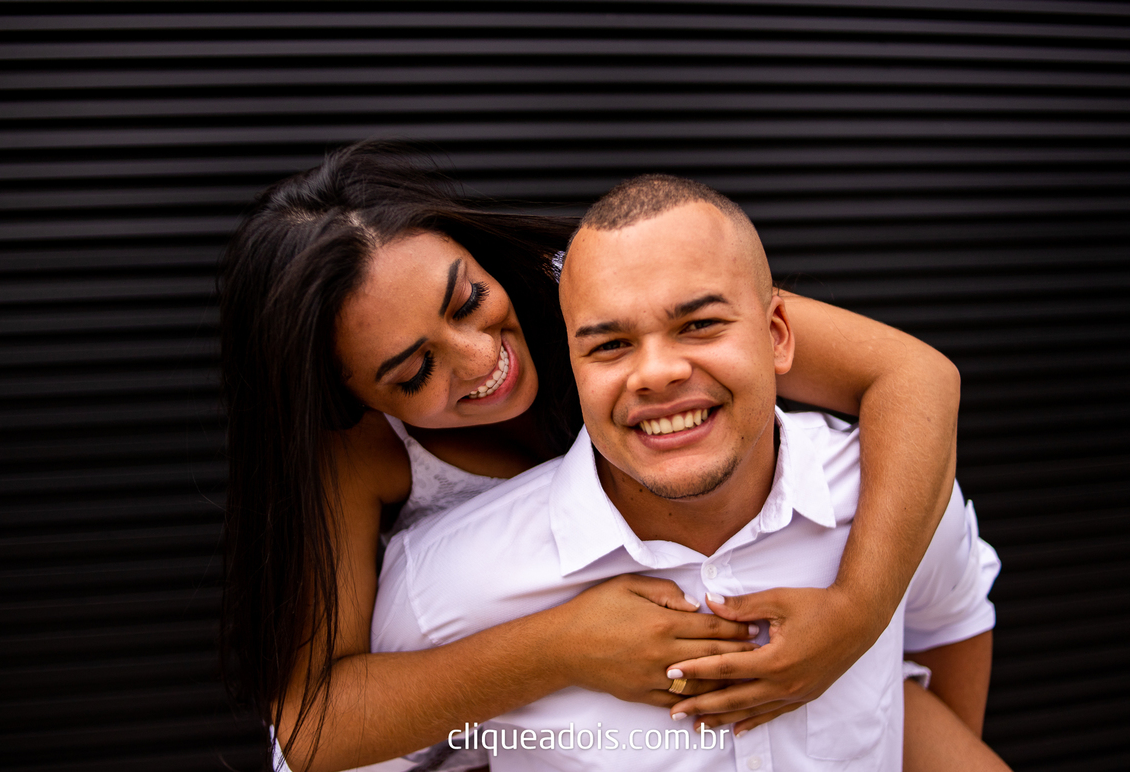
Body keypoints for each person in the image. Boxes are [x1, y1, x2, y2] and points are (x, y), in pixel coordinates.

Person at [219, 142, 963, 772]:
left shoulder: (614, 300)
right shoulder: (360, 456)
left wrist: (856, 613)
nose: (483, 361)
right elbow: (313, 727)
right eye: (414, 372)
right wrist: (561, 647)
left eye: (468, 300)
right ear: (354, 395)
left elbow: (915, 376)